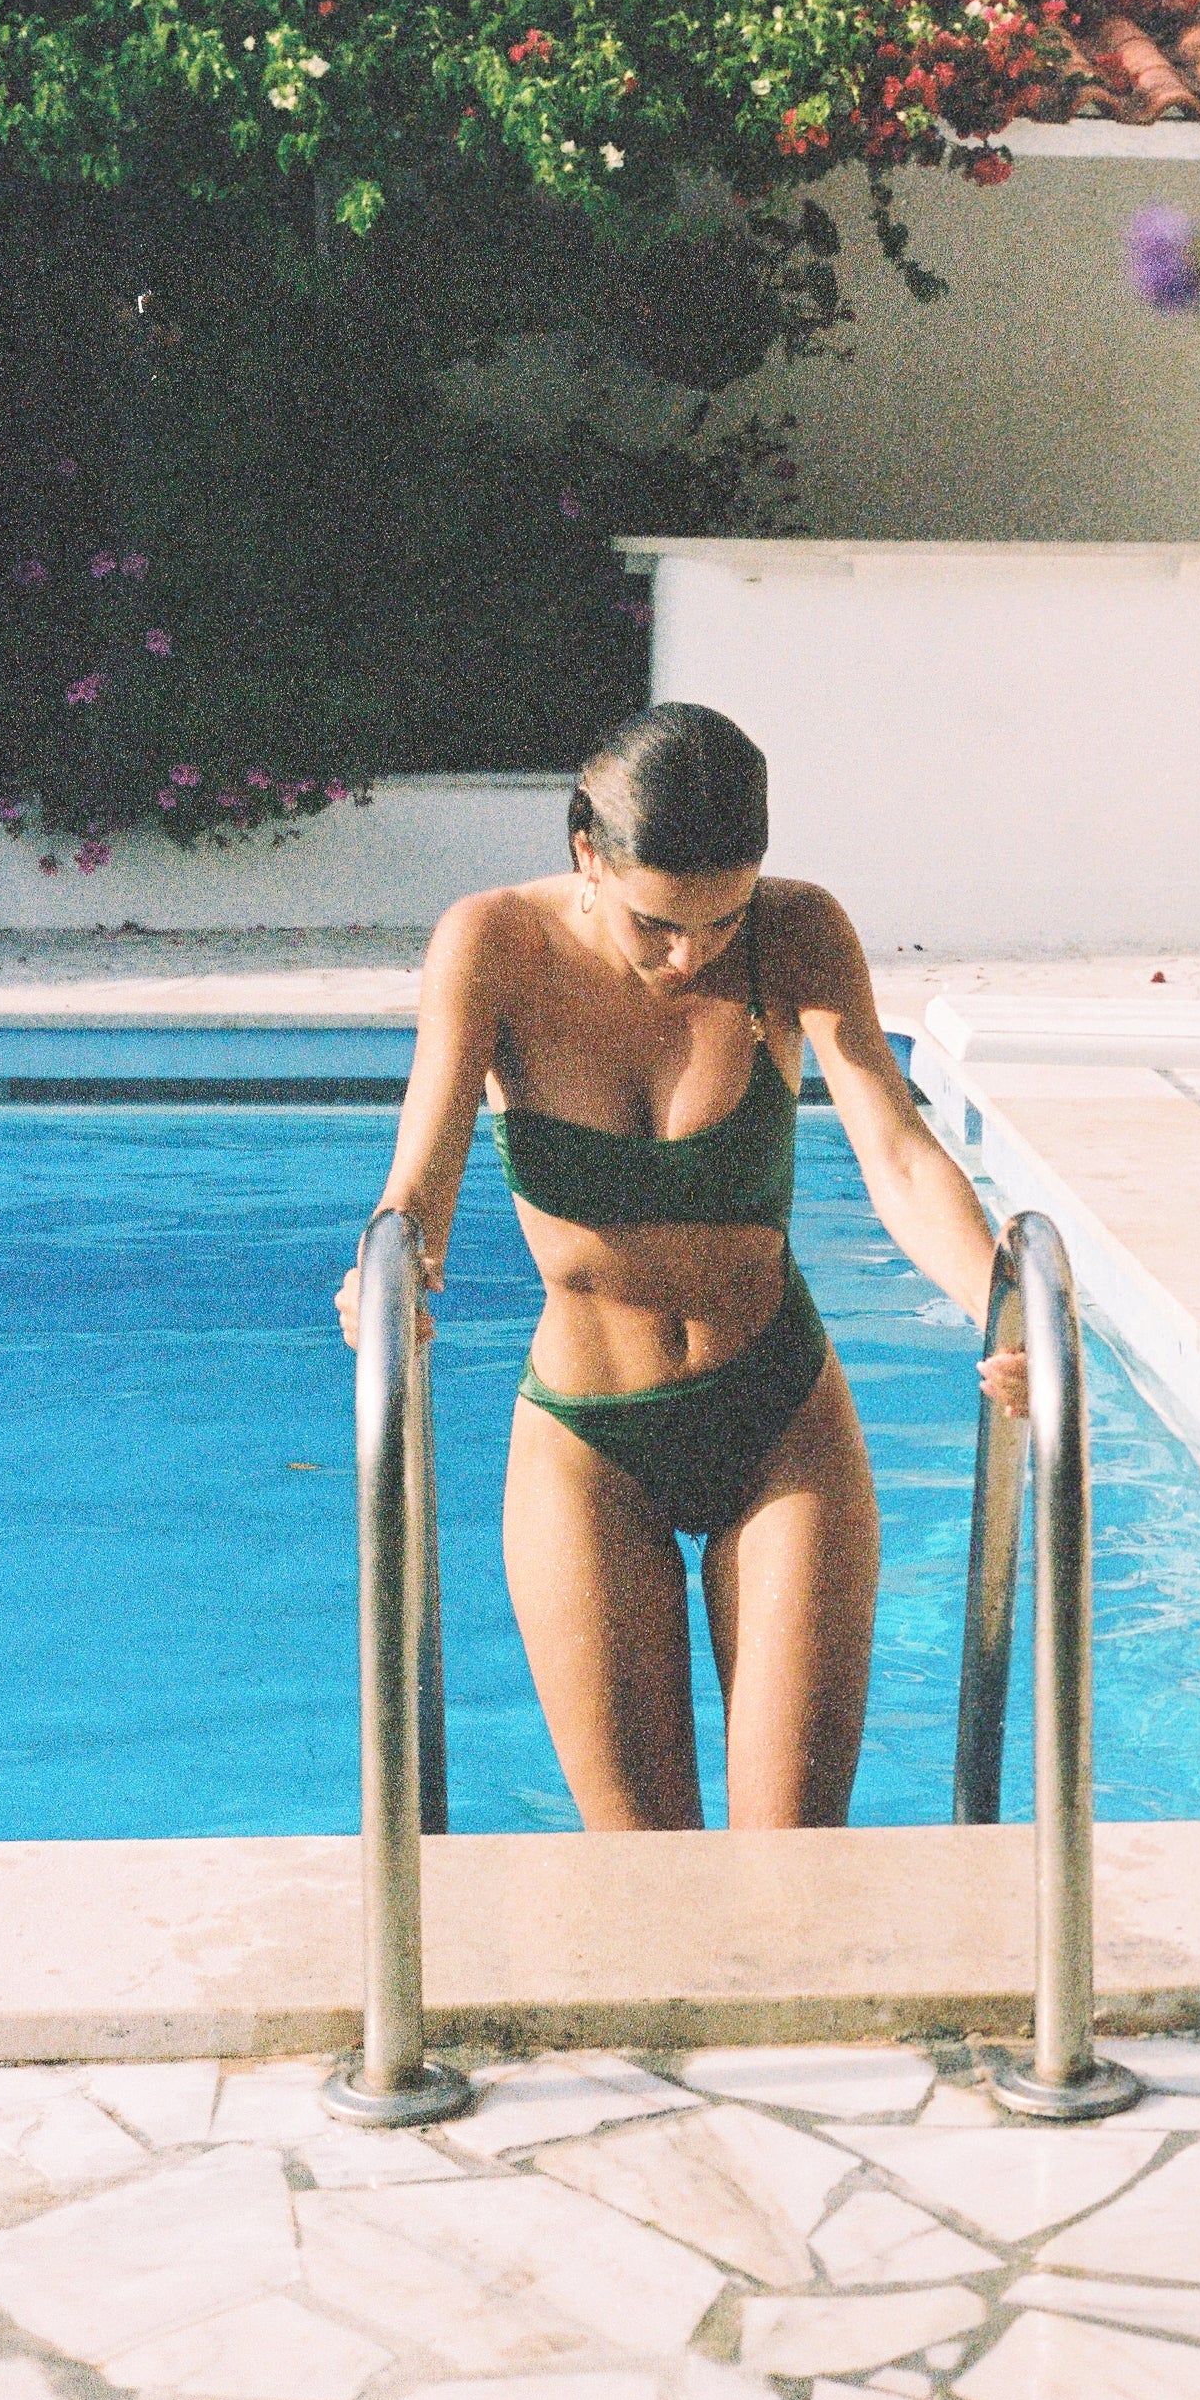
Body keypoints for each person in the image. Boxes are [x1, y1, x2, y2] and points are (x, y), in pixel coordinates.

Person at [336, 702, 1024, 1834]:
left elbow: (895, 1153)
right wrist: (386, 1273)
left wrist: (1003, 1313)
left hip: (779, 1423)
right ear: (587, 858)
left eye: (720, 919)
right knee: (643, 1871)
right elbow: (419, 1183)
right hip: (587, 1444)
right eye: (658, 922)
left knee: (794, 1865)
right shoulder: (493, 945)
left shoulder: (797, 933)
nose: (689, 954)